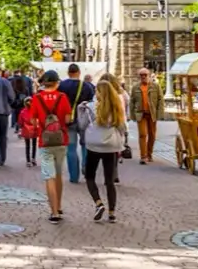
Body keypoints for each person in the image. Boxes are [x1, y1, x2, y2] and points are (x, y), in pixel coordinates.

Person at [80, 79, 126, 223]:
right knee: (109, 181)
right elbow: (122, 127)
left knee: (89, 176)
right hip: (111, 147)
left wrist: (80, 110)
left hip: (93, 146)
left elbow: (82, 125)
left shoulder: (90, 107)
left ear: (99, 92)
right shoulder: (116, 107)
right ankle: (112, 213)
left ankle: (98, 203)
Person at [29, 70, 71, 224]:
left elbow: (33, 121)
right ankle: (59, 206)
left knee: (49, 176)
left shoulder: (37, 98)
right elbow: (67, 119)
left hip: (45, 141)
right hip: (61, 140)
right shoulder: (62, 97)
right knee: (59, 175)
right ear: (56, 82)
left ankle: (53, 212)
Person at [57, 63, 95, 183]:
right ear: (79, 72)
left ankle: (74, 176)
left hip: (68, 120)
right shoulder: (87, 86)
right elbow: (91, 103)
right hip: (84, 120)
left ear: (68, 73)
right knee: (85, 145)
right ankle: (85, 166)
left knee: (71, 148)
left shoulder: (61, 86)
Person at [128, 68, 162, 165]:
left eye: (145, 75)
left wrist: (159, 114)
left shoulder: (155, 86)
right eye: (141, 75)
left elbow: (160, 100)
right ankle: (143, 156)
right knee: (142, 135)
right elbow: (132, 102)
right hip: (140, 114)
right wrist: (132, 115)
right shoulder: (135, 87)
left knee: (152, 135)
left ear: (149, 75)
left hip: (152, 114)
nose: (143, 77)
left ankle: (149, 154)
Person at [18, 97, 38, 167]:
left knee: (27, 146)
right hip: (34, 130)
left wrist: (20, 129)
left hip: (26, 130)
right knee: (34, 145)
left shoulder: (22, 112)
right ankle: (33, 159)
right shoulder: (35, 111)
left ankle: (28, 161)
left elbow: (20, 122)